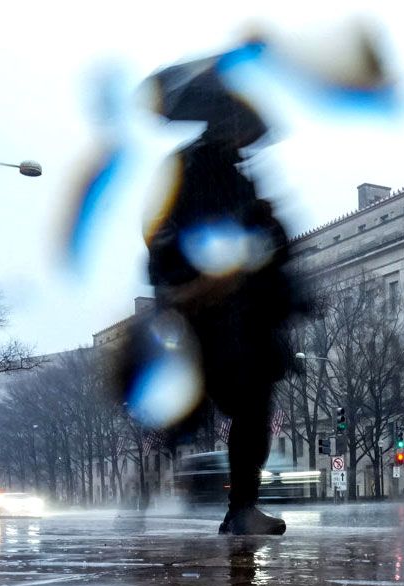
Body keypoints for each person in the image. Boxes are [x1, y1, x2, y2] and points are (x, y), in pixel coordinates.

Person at [137, 57, 309, 536]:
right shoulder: (194, 168)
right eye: (243, 128)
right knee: (242, 404)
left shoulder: (236, 174)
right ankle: (234, 505)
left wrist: (268, 227)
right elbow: (165, 234)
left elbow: (266, 243)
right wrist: (187, 283)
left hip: (241, 312)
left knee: (251, 407)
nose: (248, 139)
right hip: (211, 309)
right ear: (227, 123)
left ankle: (241, 507)